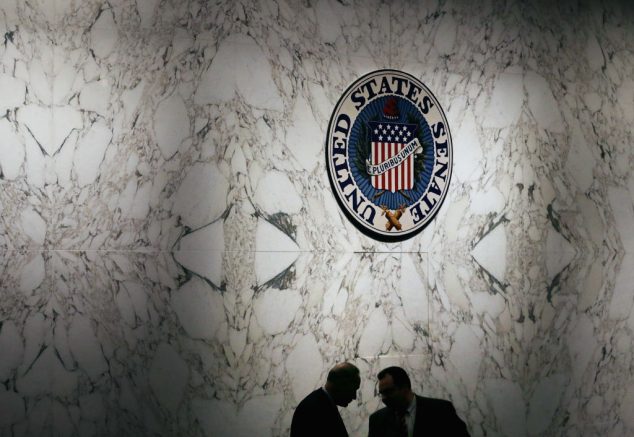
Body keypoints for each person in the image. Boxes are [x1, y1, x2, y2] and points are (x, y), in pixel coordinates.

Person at [368, 366, 470, 437]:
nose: (384, 398)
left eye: (388, 391)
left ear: (405, 387)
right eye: (382, 393)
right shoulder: (377, 420)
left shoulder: (440, 411)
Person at [290, 362, 361, 437]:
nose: (354, 396)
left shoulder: (322, 403)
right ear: (341, 384)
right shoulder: (312, 409)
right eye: (353, 389)